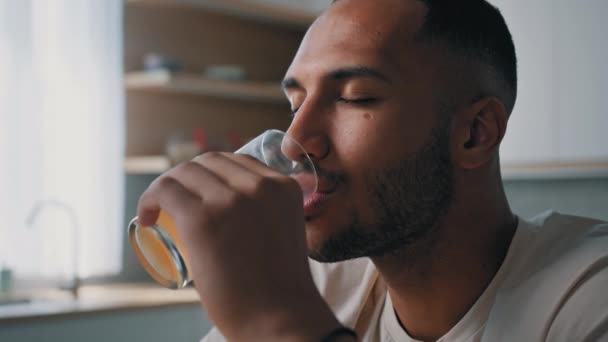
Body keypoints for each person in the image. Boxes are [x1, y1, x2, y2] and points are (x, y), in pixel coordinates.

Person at [137, 0, 608, 341]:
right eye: (295, 104)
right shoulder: (322, 286)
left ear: (475, 134)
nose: (297, 141)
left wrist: (279, 324)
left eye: (356, 97)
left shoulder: (588, 299)